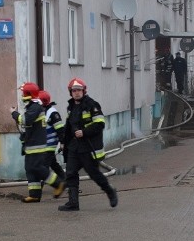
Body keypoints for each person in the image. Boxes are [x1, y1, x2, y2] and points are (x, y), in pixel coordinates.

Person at [58, 77, 118, 212]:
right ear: (70, 92)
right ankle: (73, 203)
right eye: (74, 90)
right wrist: (63, 142)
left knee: (94, 173)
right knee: (71, 173)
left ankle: (110, 191)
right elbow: (68, 127)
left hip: (88, 147)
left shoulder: (92, 105)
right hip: (74, 147)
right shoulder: (71, 107)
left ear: (84, 91)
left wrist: (84, 132)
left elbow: (100, 124)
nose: (76, 93)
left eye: (79, 90)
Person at [10, 82, 49, 203]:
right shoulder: (33, 106)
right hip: (32, 145)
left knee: (37, 168)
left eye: (23, 92)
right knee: (30, 169)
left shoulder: (35, 107)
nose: (22, 94)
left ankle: (58, 183)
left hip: (36, 146)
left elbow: (25, 120)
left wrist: (13, 113)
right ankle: (34, 194)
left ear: (28, 94)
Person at [38, 90, 66, 198]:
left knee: (43, 166)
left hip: (50, 144)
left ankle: (39, 186)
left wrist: (62, 143)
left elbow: (60, 129)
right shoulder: (44, 111)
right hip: (45, 144)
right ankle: (64, 179)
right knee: (53, 164)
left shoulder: (53, 113)